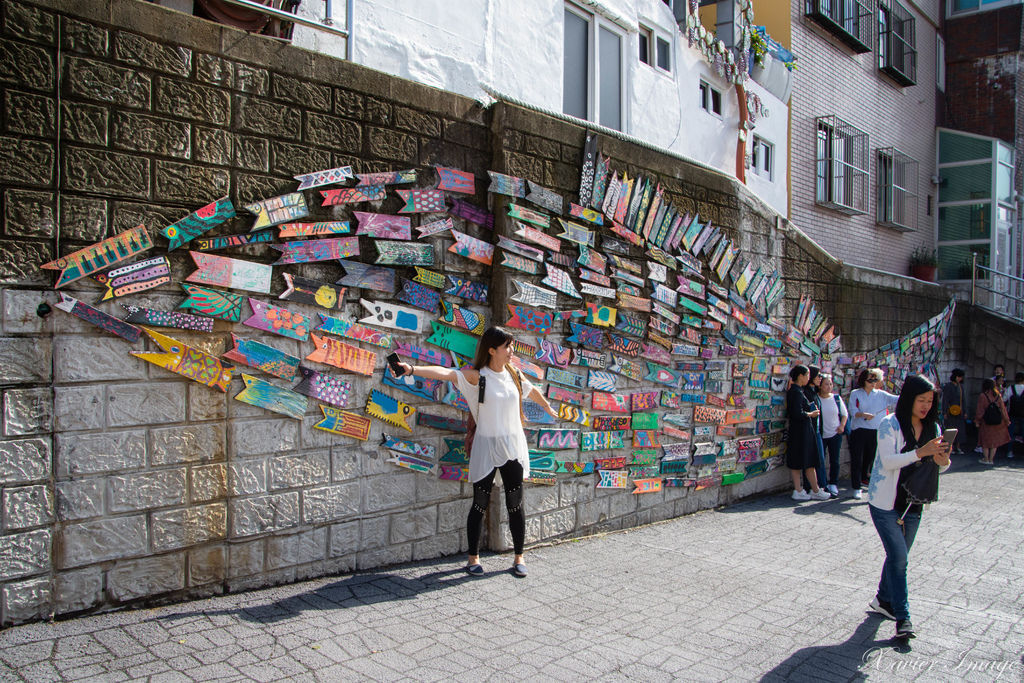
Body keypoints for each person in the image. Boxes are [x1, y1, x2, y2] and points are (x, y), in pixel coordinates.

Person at [392, 326, 557, 576]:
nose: (511, 350)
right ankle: (473, 559)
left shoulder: (514, 374)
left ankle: (519, 558)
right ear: (492, 350)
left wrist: (548, 407)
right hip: (486, 448)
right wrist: (412, 369)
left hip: (512, 447)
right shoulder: (476, 377)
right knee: (479, 504)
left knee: (516, 504)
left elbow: (532, 390)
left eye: (511, 345)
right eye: (507, 346)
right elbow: (446, 373)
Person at [866, 374, 951, 640]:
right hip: (884, 503)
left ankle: (882, 599)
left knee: (897, 556)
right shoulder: (889, 424)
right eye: (921, 400)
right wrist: (921, 452)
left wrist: (942, 458)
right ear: (909, 398)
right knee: (900, 560)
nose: (926, 406)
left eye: (930, 401)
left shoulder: (934, 428)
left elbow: (941, 467)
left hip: (914, 503)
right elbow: (888, 461)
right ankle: (903, 617)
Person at [847, 368, 899, 499]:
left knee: (872, 459)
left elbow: (897, 399)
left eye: (875, 380)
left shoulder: (881, 394)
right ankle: (856, 487)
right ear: (863, 380)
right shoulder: (856, 393)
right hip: (859, 430)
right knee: (857, 459)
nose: (873, 383)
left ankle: (867, 479)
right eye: (870, 380)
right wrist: (863, 414)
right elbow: (853, 411)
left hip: (875, 431)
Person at [786, 365, 831, 501]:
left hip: (798, 431)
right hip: (802, 431)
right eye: (807, 375)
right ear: (801, 376)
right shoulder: (797, 392)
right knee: (809, 461)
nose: (808, 378)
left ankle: (799, 489)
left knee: (798, 461)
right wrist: (811, 414)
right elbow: (796, 413)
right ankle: (814, 489)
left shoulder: (796, 391)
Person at [817, 373, 848, 496]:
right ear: (820, 386)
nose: (829, 386)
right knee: (821, 459)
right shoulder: (817, 398)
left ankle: (833, 483)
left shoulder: (836, 398)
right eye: (826, 384)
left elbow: (844, 414)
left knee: (835, 460)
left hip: (835, 433)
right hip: (822, 434)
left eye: (830, 384)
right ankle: (822, 484)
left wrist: (842, 426)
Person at [802, 366, 829, 497]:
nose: (820, 378)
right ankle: (814, 488)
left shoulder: (814, 392)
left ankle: (821, 486)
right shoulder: (806, 392)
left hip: (817, 430)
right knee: (814, 460)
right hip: (811, 431)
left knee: (820, 459)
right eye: (818, 376)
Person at [974, 377, 1009, 465]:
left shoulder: (983, 395)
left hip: (986, 421)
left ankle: (986, 459)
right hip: (998, 422)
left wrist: (977, 421)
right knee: (994, 442)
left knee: (985, 441)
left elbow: (980, 410)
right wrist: (1006, 420)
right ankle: (991, 459)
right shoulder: (998, 395)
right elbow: (1003, 409)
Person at [940, 369, 967, 455]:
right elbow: (945, 399)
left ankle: (958, 447)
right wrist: (944, 412)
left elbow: (963, 400)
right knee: (949, 430)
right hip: (950, 411)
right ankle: (949, 447)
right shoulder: (948, 386)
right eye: (958, 377)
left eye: (961, 377)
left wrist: (965, 411)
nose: (959, 379)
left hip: (959, 411)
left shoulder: (961, 387)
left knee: (960, 430)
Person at [1005, 372, 1024, 458]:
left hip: (1012, 413)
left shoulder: (1010, 388)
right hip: (1023, 414)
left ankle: (1009, 451)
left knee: (1011, 433)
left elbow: (1004, 399)